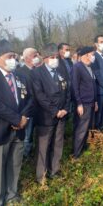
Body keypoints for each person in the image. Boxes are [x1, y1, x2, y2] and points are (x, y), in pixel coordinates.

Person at [0, 39, 34, 205]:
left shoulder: (20, 76)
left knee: (14, 164)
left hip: (19, 129)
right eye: (9, 56)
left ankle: (11, 195)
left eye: (14, 56)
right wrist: (16, 118)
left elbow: (29, 99)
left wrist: (24, 118)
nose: (12, 60)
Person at [31, 43, 70, 183]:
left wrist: (65, 108)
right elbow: (40, 96)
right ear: (45, 58)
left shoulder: (61, 70)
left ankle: (55, 170)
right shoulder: (37, 73)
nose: (55, 60)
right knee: (44, 146)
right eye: (52, 57)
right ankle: (41, 176)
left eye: (56, 57)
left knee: (58, 143)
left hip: (62, 114)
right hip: (46, 116)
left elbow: (67, 90)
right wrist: (55, 111)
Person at [71, 46, 98, 158]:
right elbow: (74, 86)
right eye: (92, 54)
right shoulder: (77, 67)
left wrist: (95, 101)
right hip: (84, 104)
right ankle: (76, 154)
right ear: (86, 55)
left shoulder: (89, 67)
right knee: (81, 129)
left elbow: (93, 85)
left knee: (89, 127)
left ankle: (86, 147)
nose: (93, 57)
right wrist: (79, 104)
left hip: (91, 103)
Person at [16, 48, 40, 157]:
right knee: (27, 135)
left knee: (36, 133)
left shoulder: (38, 70)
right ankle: (26, 156)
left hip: (39, 108)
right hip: (28, 109)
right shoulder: (20, 72)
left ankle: (34, 152)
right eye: (34, 56)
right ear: (26, 58)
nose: (37, 57)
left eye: (37, 55)